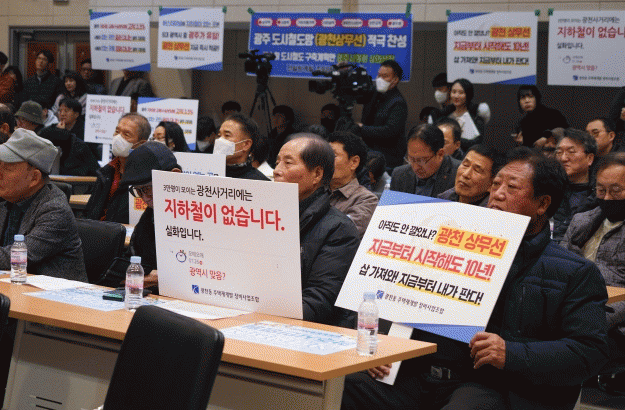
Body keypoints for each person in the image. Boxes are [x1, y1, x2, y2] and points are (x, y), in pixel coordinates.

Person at [342, 146, 609, 410]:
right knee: (341, 386)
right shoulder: (444, 244)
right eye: (495, 184)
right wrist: (384, 342)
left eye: (512, 188)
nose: (498, 195)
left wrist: (511, 353)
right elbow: (399, 301)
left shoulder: (574, 272)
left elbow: (590, 352)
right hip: (417, 373)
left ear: (543, 204)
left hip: (491, 384)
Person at [274, 134, 360, 326]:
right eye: (277, 162)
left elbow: (318, 302)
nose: (277, 171)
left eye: (288, 163)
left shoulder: (339, 229)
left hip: (308, 331)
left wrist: (261, 312)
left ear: (317, 174)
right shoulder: (265, 216)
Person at [561, 152, 625, 392]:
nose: (607, 198)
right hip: (570, 311)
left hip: (613, 324)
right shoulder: (582, 221)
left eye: (616, 191)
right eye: (601, 190)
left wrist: (591, 320)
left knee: (563, 353)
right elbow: (559, 269)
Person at [0, 129, 86, 281]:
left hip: (55, 294)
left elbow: (16, 257)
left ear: (34, 178)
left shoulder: (55, 210)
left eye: (7, 168)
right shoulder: (7, 199)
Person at [119, 141, 182, 291]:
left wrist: (159, 278)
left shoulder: (201, 216)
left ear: (174, 176)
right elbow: (131, 262)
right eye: (138, 191)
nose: (145, 198)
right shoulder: (149, 216)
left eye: (148, 188)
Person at [85, 113, 151, 223]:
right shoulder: (106, 171)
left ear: (141, 143)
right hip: (97, 229)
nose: (118, 138)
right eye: (117, 131)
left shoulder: (146, 178)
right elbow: (90, 211)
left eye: (126, 134)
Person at [359, 60, 408, 169]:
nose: (380, 79)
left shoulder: (398, 102)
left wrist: (362, 129)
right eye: (378, 75)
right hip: (370, 153)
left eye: (385, 76)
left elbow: (390, 131)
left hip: (388, 159)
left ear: (395, 80)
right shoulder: (374, 94)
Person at [328, 131, 379, 237]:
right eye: (325, 155)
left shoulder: (366, 199)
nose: (326, 160)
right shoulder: (314, 188)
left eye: (333, 155)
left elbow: (341, 233)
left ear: (354, 162)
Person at [391, 124, 460, 198]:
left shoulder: (458, 176)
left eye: (421, 161)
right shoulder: (399, 175)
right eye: (411, 159)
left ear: (440, 154)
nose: (416, 167)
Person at [552, 129, 597, 242]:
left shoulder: (601, 193)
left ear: (589, 158)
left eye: (571, 152)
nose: (563, 158)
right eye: (559, 152)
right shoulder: (548, 187)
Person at [438, 144, 502, 207]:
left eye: (477, 170)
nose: (465, 174)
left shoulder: (493, 210)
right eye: (465, 165)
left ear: (492, 184)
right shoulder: (442, 199)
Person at [215, 113, 269, 181]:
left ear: (246, 144)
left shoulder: (259, 182)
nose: (220, 140)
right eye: (219, 135)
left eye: (227, 135)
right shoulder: (208, 173)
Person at [441, 78, 490, 151]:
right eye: (453, 92)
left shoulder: (476, 117)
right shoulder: (445, 115)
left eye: (461, 93)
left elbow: (478, 142)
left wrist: (454, 140)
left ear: (468, 94)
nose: (456, 96)